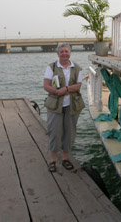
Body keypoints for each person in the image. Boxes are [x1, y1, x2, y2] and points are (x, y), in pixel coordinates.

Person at [43, 43, 84, 172]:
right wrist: (57, 92)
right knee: (54, 132)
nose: (64, 54)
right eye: (62, 52)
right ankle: (53, 160)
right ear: (58, 54)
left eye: (66, 51)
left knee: (69, 133)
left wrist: (66, 89)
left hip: (72, 106)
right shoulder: (51, 67)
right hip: (55, 106)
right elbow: (46, 85)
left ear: (70, 53)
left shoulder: (76, 68)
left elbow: (78, 86)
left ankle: (65, 159)